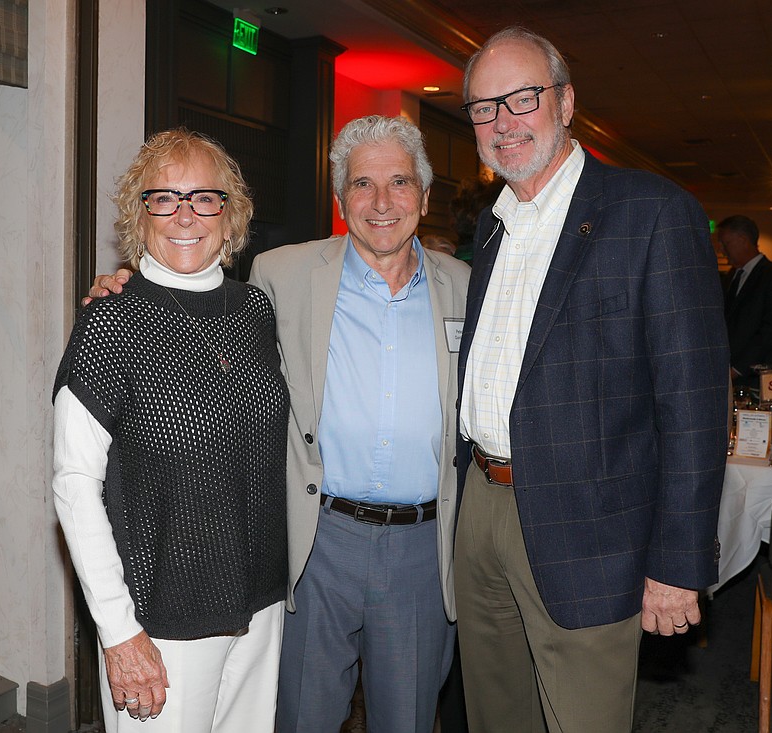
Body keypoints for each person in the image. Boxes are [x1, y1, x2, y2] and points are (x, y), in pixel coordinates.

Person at [87, 115, 469, 733]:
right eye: (361, 184)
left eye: (399, 183)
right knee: (301, 718)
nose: (381, 202)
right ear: (340, 199)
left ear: (424, 197)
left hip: (422, 552)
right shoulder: (279, 275)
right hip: (317, 544)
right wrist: (126, 287)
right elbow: (196, 295)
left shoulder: (464, 288)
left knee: (410, 720)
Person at [454, 27, 729, 732]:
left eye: (522, 98)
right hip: (482, 509)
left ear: (566, 101)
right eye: (484, 108)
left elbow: (694, 405)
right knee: (494, 717)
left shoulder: (652, 213)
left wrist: (677, 560)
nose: (503, 122)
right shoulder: (490, 228)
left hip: (591, 525)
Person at [53, 129, 289, 731]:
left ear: (230, 214)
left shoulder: (255, 311)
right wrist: (119, 633)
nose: (185, 214)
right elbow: (75, 484)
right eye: (164, 198)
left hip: (260, 604)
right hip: (162, 619)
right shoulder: (111, 322)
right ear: (141, 213)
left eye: (205, 197)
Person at [717, 215, 772, 387]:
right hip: (729, 375)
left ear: (743, 240)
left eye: (725, 243)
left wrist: (737, 369)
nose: (721, 250)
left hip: (758, 379)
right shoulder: (730, 276)